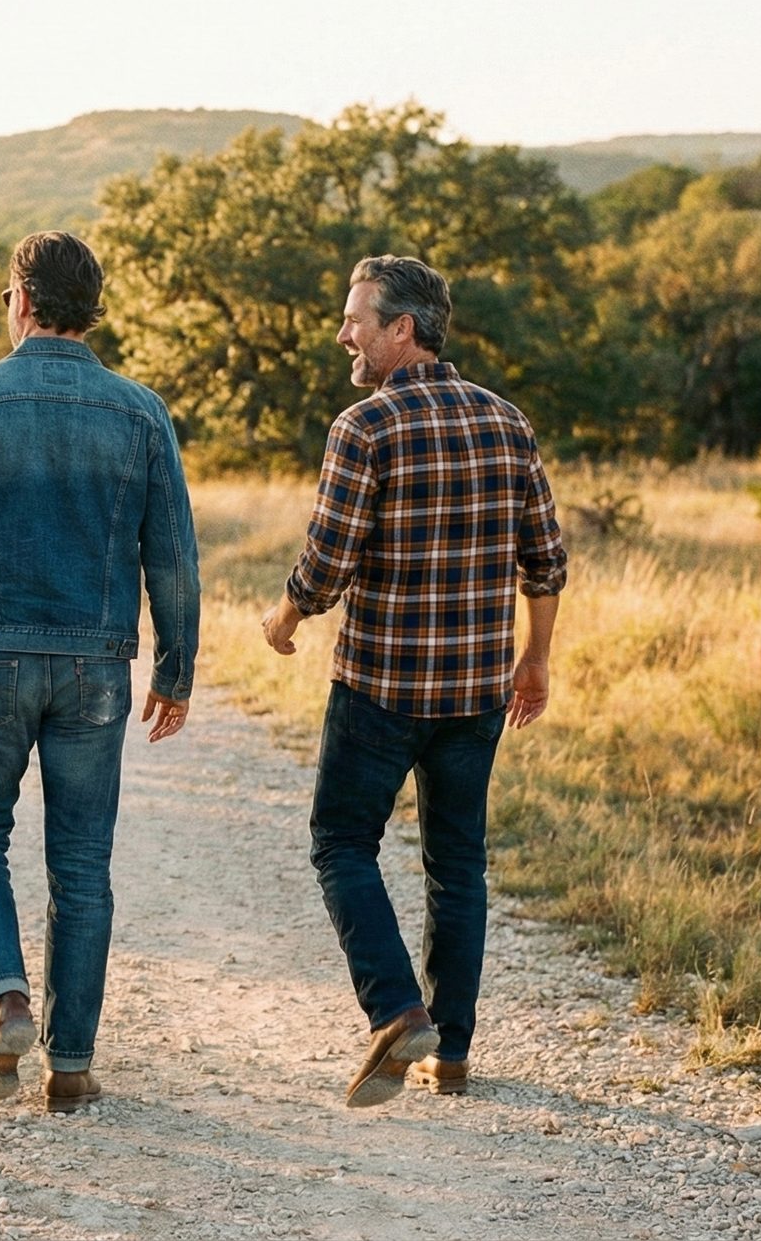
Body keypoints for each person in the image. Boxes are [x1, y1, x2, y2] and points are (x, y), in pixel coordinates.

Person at [0, 231, 201, 1113]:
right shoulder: (141, 411)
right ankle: (71, 1064)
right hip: (97, 665)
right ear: (90, 307)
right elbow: (171, 552)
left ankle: (3, 997)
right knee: (83, 861)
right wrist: (177, 665)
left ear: (20, 300)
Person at [260, 254, 568, 1108]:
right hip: (474, 691)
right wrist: (535, 657)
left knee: (340, 842)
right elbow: (545, 561)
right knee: (456, 861)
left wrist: (283, 617)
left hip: (381, 690)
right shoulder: (509, 422)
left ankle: (398, 1011)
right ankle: (453, 1052)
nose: (343, 333)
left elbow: (325, 567)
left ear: (404, 330)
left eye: (357, 318)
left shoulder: (366, 426)